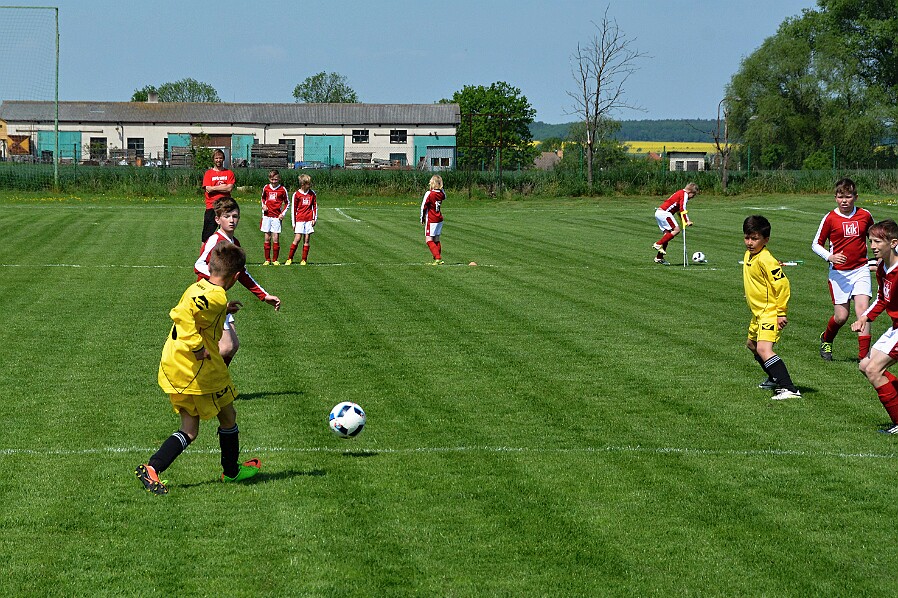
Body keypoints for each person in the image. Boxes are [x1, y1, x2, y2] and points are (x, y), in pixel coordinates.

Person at [136, 242, 261, 495]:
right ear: (235, 277)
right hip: (199, 369)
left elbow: (195, 309)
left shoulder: (199, 286)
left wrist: (223, 310)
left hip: (175, 364)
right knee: (227, 417)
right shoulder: (216, 296)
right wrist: (196, 347)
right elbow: (182, 315)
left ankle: (152, 468)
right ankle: (231, 472)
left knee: (190, 429)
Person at [196, 197, 281, 365]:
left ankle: (216, 385)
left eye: (235, 216)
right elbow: (198, 265)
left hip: (219, 298)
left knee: (233, 346)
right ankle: (205, 383)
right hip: (206, 298)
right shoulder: (215, 240)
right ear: (217, 219)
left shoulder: (234, 243)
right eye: (227, 216)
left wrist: (264, 296)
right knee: (226, 346)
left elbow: (242, 273)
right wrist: (220, 276)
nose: (231, 220)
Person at [812, 177, 874, 361]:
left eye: (848, 196)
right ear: (835, 198)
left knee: (863, 312)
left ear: (856, 197)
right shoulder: (830, 218)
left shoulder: (865, 215)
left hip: (861, 269)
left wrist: (882, 257)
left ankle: (864, 358)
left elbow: (877, 236)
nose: (844, 201)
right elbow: (816, 244)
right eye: (840, 197)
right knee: (841, 316)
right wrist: (829, 257)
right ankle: (826, 339)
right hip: (839, 273)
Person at [743, 215, 801, 400]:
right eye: (747, 237)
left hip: (770, 312)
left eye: (755, 238)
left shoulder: (766, 260)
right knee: (752, 345)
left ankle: (789, 388)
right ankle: (774, 377)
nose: (750, 242)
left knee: (764, 349)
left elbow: (782, 285)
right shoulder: (749, 255)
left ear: (765, 240)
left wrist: (781, 313)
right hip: (757, 313)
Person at [851, 219, 898, 434]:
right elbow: (881, 298)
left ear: (893, 243)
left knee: (874, 369)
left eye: (878, 241)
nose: (873, 246)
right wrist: (864, 319)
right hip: (895, 326)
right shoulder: (882, 267)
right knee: (865, 366)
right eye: (871, 241)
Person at [653, 182, 698, 265]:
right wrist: (687, 221)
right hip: (664, 213)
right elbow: (682, 208)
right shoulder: (684, 194)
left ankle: (659, 257)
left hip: (659, 213)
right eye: (693, 195)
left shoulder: (680, 193)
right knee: (676, 230)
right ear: (690, 192)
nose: (693, 197)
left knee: (667, 235)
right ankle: (658, 244)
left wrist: (683, 221)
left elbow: (678, 211)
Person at [201, 149, 236, 244]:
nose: (218, 160)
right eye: (216, 158)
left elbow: (229, 189)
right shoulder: (208, 174)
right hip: (211, 207)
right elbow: (208, 189)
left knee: (226, 236)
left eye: (220, 158)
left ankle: (225, 257)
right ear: (213, 160)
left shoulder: (229, 173)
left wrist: (214, 188)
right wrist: (223, 187)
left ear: (223, 159)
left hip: (226, 207)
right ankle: (204, 258)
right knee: (206, 237)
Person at [286, 174, 318, 266]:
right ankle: (290, 258)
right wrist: (293, 222)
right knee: (297, 238)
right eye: (308, 184)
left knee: (307, 239)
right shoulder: (296, 194)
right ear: (302, 184)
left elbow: (315, 207)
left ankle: (304, 259)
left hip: (308, 220)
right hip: (299, 219)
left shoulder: (312, 194)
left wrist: (314, 218)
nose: (309, 185)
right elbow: (293, 209)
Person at [260, 169, 290, 266]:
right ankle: (267, 259)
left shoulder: (282, 189)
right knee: (267, 237)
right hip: (267, 216)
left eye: (276, 179)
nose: (274, 181)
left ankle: (275, 259)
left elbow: (287, 203)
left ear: (279, 179)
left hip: (276, 217)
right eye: (272, 179)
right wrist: (263, 205)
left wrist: (283, 214)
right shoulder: (266, 188)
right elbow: (263, 198)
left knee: (275, 238)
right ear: (269, 179)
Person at [421, 175, 445, 265]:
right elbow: (444, 196)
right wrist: (441, 189)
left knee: (429, 240)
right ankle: (437, 259)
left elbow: (423, 206)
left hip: (432, 219)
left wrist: (422, 218)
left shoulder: (429, 193)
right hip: (439, 219)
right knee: (436, 239)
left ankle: (438, 258)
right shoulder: (441, 194)